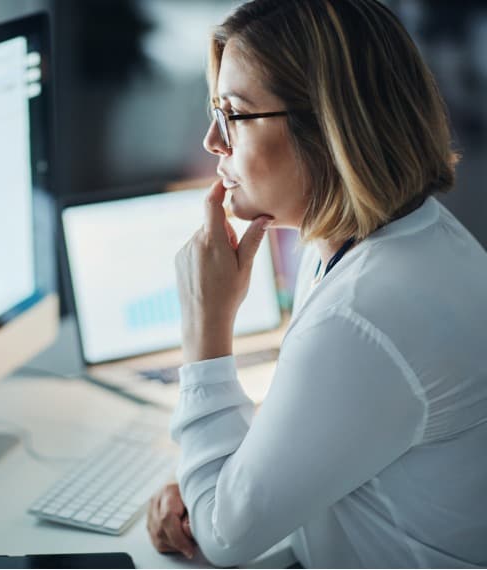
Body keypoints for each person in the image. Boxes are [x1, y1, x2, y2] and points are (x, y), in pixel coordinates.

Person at [146, 0, 487, 567]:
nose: (212, 141)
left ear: (327, 129)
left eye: (234, 113)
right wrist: (215, 479)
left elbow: (224, 539)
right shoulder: (392, 237)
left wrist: (206, 326)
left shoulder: (364, 313)